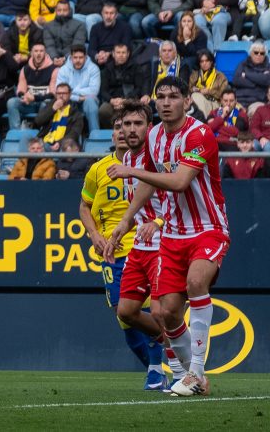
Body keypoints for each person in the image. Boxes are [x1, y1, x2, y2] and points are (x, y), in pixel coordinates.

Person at [105, 75, 230, 397]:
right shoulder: (155, 135)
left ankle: (196, 373)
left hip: (208, 228)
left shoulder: (199, 134)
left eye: (173, 96)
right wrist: (126, 220)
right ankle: (190, 376)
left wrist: (132, 171)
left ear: (187, 101)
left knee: (196, 282)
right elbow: (150, 182)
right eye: (160, 97)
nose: (165, 102)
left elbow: (179, 181)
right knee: (166, 313)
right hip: (173, 235)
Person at [81, 106, 173, 390]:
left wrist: (156, 222)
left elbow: (171, 199)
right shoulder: (98, 170)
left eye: (133, 124)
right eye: (120, 126)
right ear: (113, 133)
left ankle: (163, 368)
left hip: (148, 247)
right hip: (113, 253)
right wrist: (95, 235)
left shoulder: (151, 161)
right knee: (125, 318)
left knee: (154, 310)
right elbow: (84, 206)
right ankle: (161, 364)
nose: (125, 131)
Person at [8, 42, 57, 128]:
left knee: (47, 103)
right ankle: (16, 132)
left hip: (44, 103)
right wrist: (24, 97)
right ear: (31, 53)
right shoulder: (25, 69)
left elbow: (53, 94)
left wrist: (35, 98)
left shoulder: (54, 69)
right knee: (12, 102)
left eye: (41, 51)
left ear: (45, 53)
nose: (38, 54)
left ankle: (42, 132)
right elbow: (20, 89)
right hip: (29, 103)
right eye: (36, 51)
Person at [232, 39, 270, 114]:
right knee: (234, 116)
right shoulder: (242, 64)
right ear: (251, 54)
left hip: (258, 101)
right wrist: (257, 82)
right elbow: (236, 80)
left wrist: (246, 74)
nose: (259, 55)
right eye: (256, 52)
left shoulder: (268, 67)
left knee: (255, 114)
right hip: (240, 100)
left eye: (262, 53)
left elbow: (266, 80)